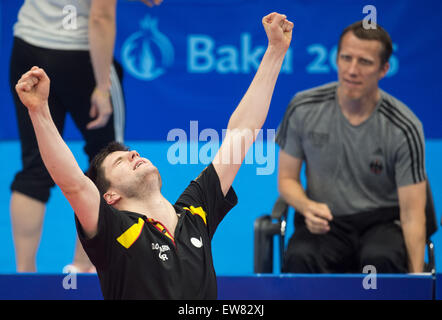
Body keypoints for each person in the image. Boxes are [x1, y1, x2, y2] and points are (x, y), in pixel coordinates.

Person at [14, 12, 293, 299]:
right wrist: (39, 111)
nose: (133, 153)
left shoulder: (196, 212)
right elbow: (73, 183)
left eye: (130, 152)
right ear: (109, 197)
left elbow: (241, 132)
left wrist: (275, 51)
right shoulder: (113, 230)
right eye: (120, 161)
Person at [9, 0, 163, 273]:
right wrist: (102, 89)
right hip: (81, 55)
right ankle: (83, 268)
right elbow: (100, 16)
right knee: (109, 164)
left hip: (28, 46)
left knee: (34, 167)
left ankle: (24, 277)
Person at [276, 20, 426, 274]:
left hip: (381, 224)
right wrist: (306, 206)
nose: (352, 70)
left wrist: (417, 280)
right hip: (323, 222)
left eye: (365, 62)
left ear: (383, 69)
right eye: (346, 58)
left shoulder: (404, 127)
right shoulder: (302, 107)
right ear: (336, 59)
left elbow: (412, 215)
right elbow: (287, 180)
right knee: (300, 257)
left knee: (380, 259)